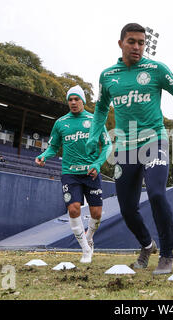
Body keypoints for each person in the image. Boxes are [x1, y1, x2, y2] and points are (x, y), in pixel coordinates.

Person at [86, 23, 173, 274]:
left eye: (141, 42)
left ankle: (166, 253)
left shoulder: (156, 69)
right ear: (121, 43)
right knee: (127, 209)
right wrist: (94, 135)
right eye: (132, 41)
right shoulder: (108, 75)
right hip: (124, 148)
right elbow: (101, 107)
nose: (137, 47)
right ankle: (147, 245)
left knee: (156, 193)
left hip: (154, 140)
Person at [35, 85, 112, 263]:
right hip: (69, 173)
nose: (73, 102)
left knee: (97, 213)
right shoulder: (61, 123)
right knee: (73, 208)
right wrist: (43, 155)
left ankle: (90, 237)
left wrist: (98, 164)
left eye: (77, 99)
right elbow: (53, 147)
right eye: (70, 99)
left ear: (82, 101)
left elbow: (107, 145)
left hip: (91, 173)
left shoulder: (95, 120)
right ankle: (85, 250)